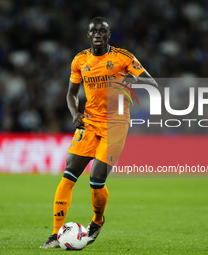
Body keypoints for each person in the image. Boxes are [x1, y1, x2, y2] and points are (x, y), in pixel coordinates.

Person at [40, 16, 157, 249]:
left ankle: (97, 220)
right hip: (89, 122)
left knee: (96, 181)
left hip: (116, 124)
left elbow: (152, 83)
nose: (97, 35)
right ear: (88, 34)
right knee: (69, 175)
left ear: (108, 35)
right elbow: (71, 93)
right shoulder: (80, 61)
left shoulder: (122, 57)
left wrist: (131, 79)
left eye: (102, 31)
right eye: (93, 31)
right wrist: (74, 113)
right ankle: (54, 234)